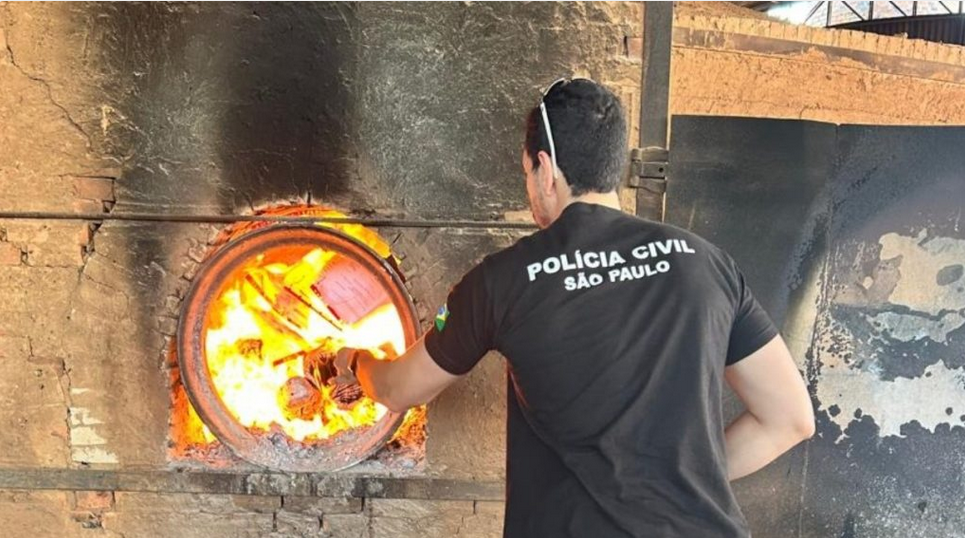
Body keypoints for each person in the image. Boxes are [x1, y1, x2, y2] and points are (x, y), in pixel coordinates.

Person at [334, 78, 814, 537]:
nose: (529, 188)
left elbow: (400, 389)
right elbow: (790, 418)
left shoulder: (502, 279)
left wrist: (355, 361)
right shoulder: (705, 262)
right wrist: (678, 485)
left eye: (526, 173)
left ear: (545, 169)